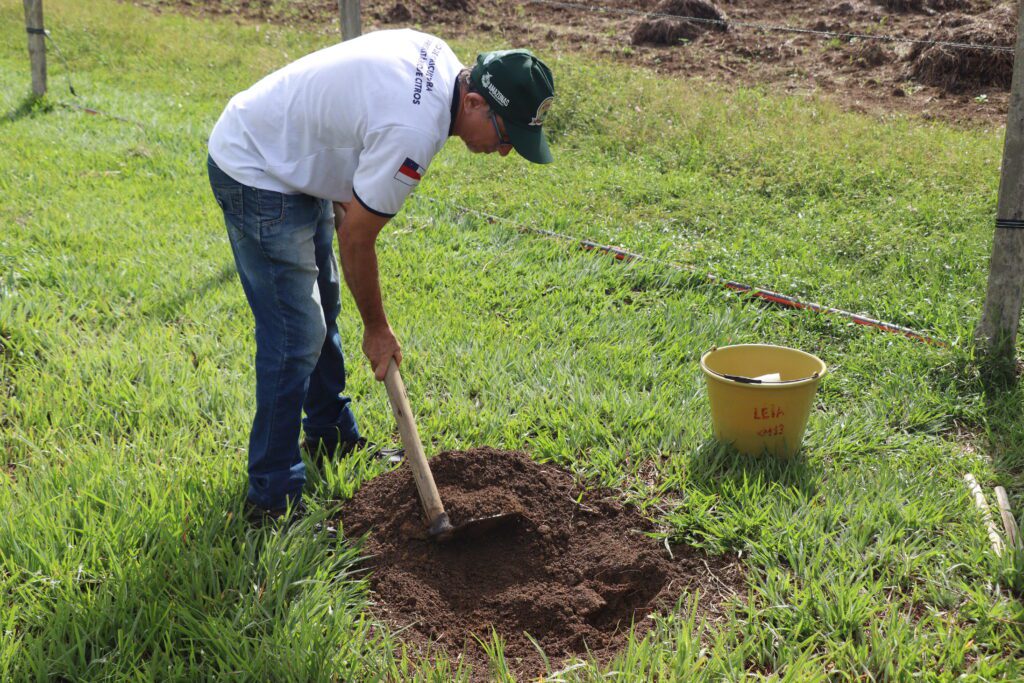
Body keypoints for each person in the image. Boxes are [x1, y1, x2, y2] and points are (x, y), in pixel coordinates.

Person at [206, 29, 556, 523]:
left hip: (290, 152)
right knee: (294, 332)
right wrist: (376, 329)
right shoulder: (415, 131)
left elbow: (355, 191)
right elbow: (357, 238)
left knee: (320, 305)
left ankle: (330, 437)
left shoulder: (440, 61)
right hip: (257, 166)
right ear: (474, 101)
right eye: (505, 136)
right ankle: (272, 500)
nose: (503, 152)